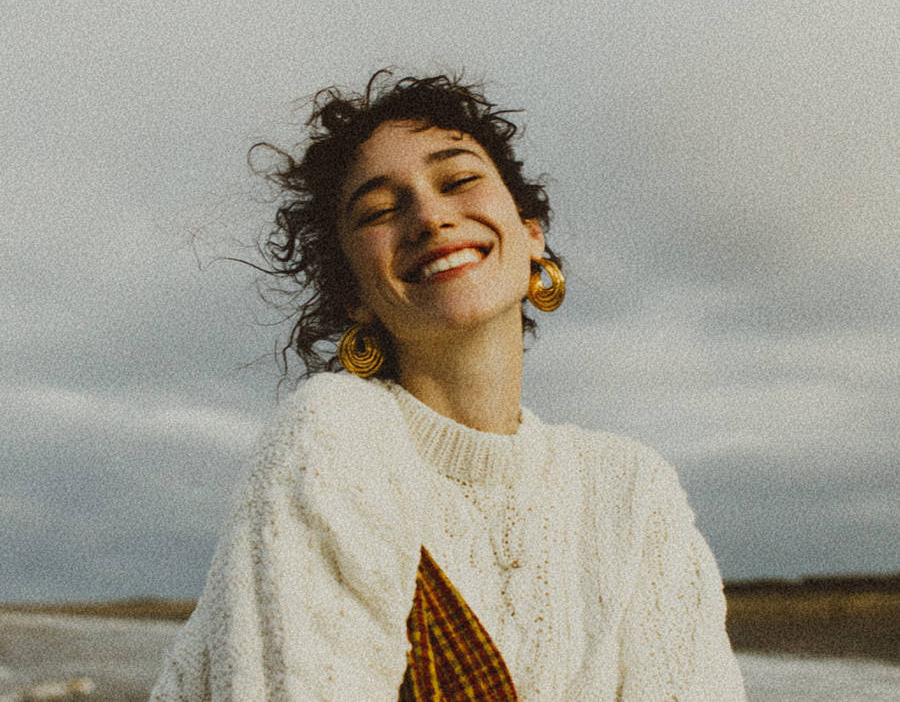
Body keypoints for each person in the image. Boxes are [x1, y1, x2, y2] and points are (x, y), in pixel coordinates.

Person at [151, 72, 746, 700]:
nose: (431, 217)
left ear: (531, 232)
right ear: (353, 294)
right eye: (380, 211)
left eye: (459, 180)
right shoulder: (334, 436)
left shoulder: (632, 488)